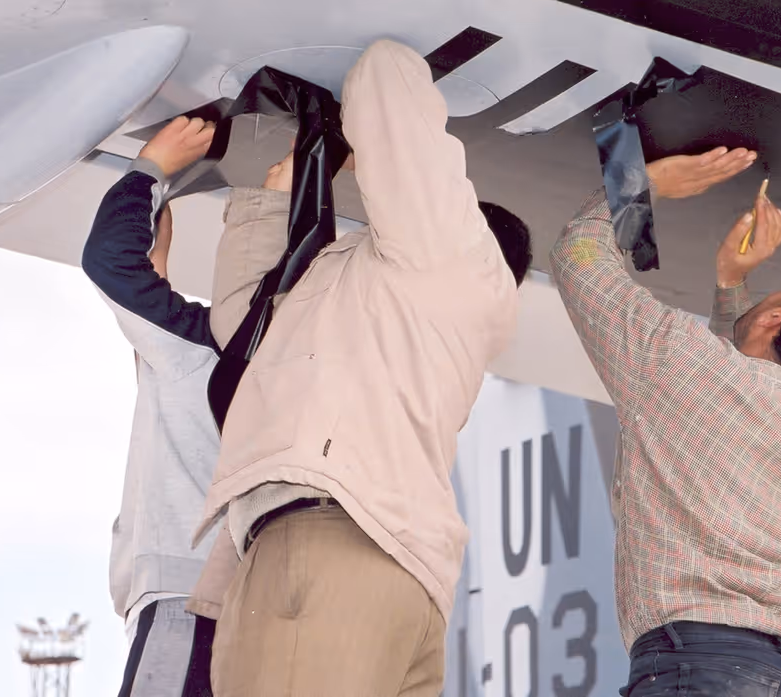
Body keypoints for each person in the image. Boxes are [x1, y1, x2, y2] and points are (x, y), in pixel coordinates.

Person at [188, 39, 534, 696]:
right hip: (394, 572)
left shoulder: (448, 255)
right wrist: (279, 191)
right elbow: (248, 333)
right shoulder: (388, 310)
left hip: (330, 542)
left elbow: (386, 80)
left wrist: (365, 35)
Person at [550, 147, 781, 697]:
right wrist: (731, 282)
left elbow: (578, 255)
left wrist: (640, 183)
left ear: (778, 314)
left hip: (700, 666)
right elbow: (723, 394)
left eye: (779, 296)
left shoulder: (682, 369)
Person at [81, 115, 224, 696]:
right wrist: (158, 266)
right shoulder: (238, 358)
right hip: (216, 601)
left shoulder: (197, 352)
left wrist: (151, 170)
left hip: (186, 603)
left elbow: (110, 262)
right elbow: (154, 350)